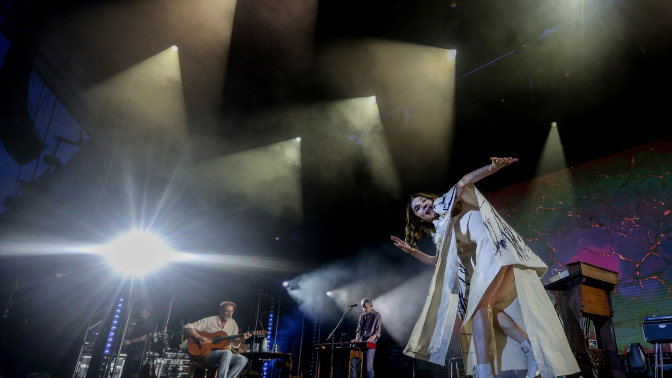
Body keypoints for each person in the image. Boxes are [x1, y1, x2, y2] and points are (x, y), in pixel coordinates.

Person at [391, 157, 579, 378]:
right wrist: (413, 252)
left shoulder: (445, 203)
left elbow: (463, 183)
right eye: (418, 209)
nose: (424, 206)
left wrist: (492, 168)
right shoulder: (442, 232)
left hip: (495, 252)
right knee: (486, 311)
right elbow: (436, 262)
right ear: (419, 219)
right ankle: (530, 352)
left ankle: (484, 372)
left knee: (479, 310)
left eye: (424, 202)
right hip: (499, 258)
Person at [183, 301, 252, 378]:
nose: (230, 314)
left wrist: (242, 338)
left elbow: (235, 344)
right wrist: (198, 337)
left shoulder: (233, 324)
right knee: (227, 353)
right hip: (207, 355)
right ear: (220, 311)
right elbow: (187, 327)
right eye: (227, 311)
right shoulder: (210, 320)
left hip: (224, 358)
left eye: (232, 311)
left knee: (243, 359)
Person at [122, 303, 157, 378]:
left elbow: (146, 336)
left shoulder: (151, 322)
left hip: (139, 351)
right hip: (132, 349)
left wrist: (131, 341)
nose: (139, 312)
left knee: (135, 370)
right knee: (129, 370)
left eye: (141, 310)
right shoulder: (140, 321)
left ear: (147, 311)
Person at [349, 298, 382, 378]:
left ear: (371, 306)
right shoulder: (362, 316)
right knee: (353, 362)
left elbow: (377, 332)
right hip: (361, 340)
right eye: (363, 307)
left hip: (371, 340)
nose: (364, 309)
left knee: (368, 367)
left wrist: (370, 340)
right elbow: (359, 330)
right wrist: (357, 339)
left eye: (366, 307)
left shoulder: (377, 315)